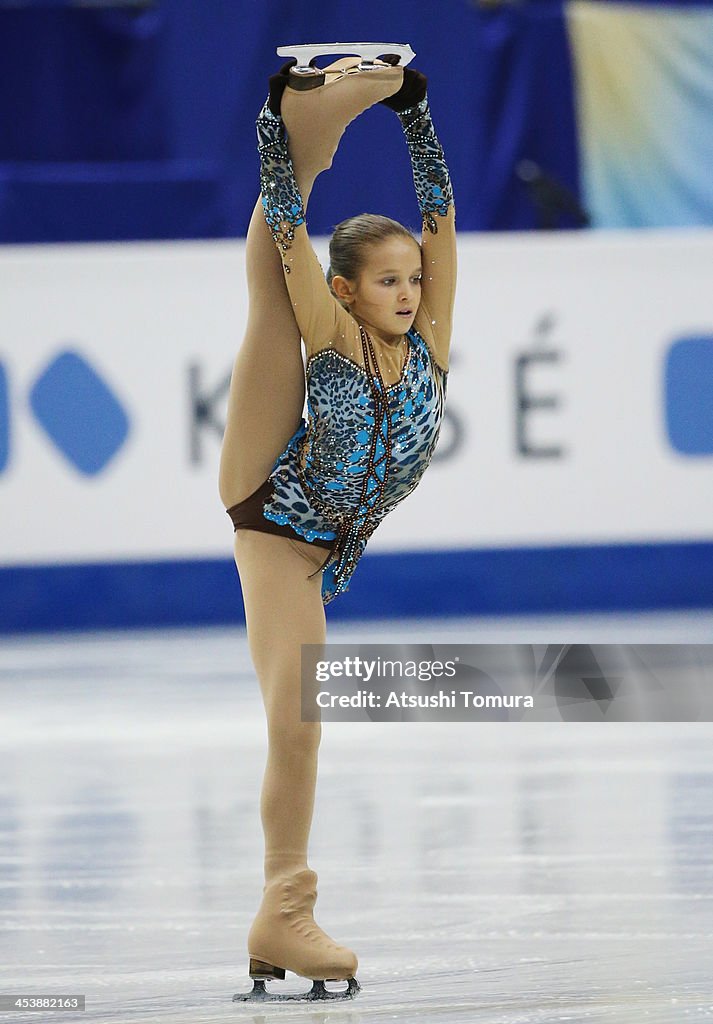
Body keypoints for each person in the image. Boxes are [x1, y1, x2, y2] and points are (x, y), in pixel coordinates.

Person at [219, 49, 456, 1001]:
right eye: (388, 280)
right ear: (352, 287)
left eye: (413, 278)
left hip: (322, 543)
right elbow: (289, 234)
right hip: (272, 513)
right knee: (299, 720)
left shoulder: (431, 340)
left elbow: (438, 216)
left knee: (303, 720)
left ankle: (321, 117)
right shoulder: (331, 325)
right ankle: (285, 903)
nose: (408, 290)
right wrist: (273, 132)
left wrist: (415, 109)